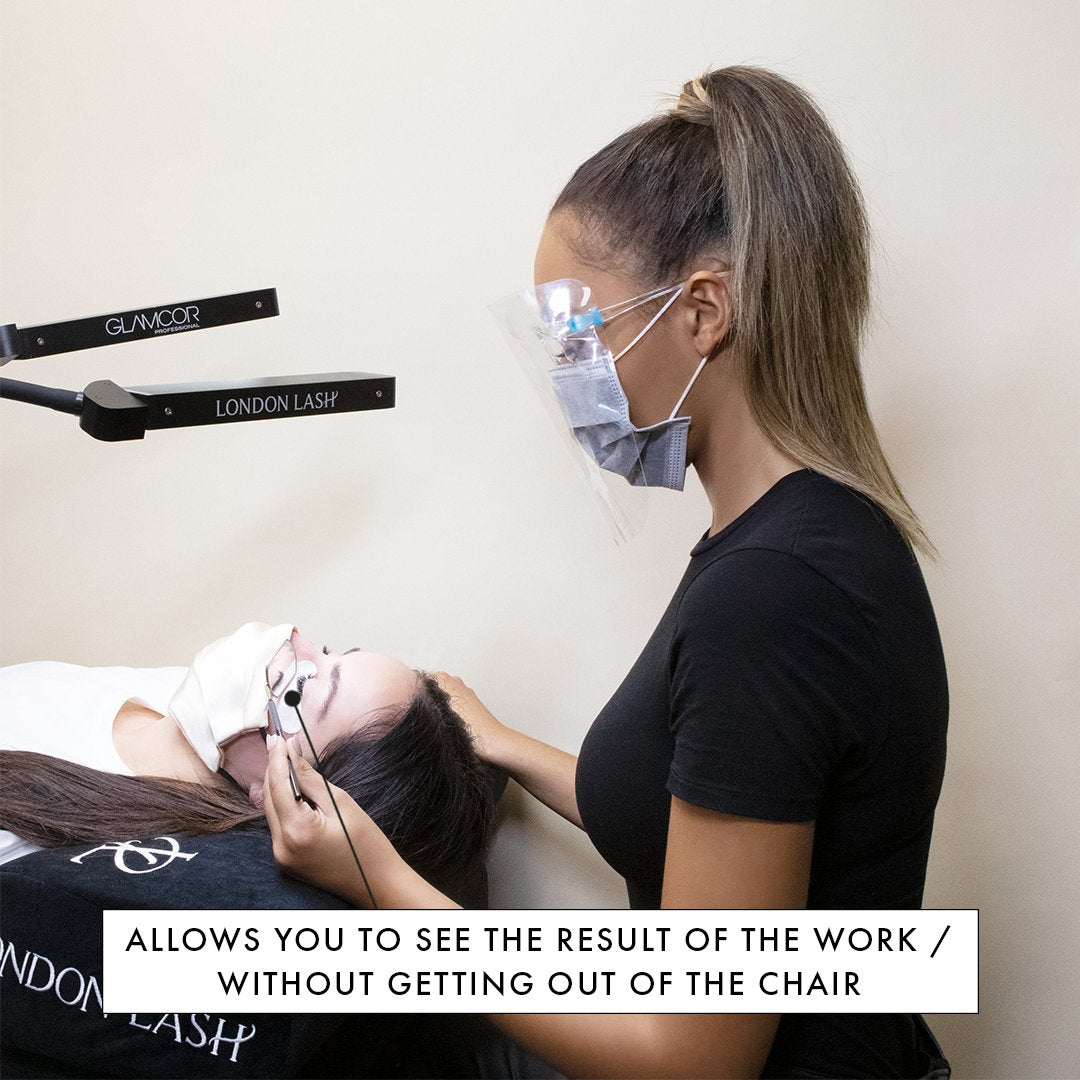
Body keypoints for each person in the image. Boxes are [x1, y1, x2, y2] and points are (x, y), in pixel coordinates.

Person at [262, 66, 950, 1079]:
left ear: (704, 311)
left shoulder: (776, 599)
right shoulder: (795, 542)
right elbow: (716, 815)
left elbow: (692, 1056)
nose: (567, 372)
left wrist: (386, 895)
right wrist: (507, 745)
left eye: (579, 332)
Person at [0, 623, 495, 905]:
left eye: (302, 686)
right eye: (326, 652)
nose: (295, 638)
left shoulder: (36, 833)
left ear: (286, 793)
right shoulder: (188, 708)